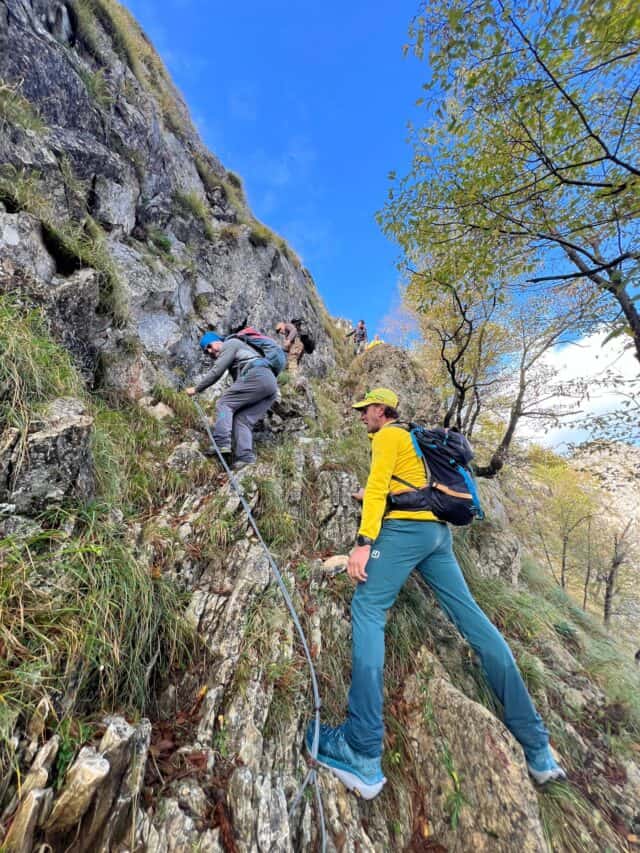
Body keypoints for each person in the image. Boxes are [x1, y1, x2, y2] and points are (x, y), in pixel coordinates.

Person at [306, 387, 566, 799]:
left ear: (379, 409)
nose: (360, 418)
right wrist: (376, 497)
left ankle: (361, 749)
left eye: (364, 412)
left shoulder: (388, 436)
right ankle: (538, 747)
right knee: (473, 621)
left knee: (369, 608)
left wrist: (362, 542)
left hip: (405, 531)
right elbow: (409, 487)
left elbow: (376, 490)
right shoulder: (415, 438)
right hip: (437, 536)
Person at [185, 331, 278, 472]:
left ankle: (221, 442)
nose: (209, 351)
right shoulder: (241, 356)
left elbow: (217, 371)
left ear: (217, 341)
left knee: (224, 404)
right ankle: (245, 457)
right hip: (270, 385)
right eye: (206, 351)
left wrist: (196, 389)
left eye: (209, 346)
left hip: (257, 375)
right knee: (242, 419)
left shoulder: (230, 344)